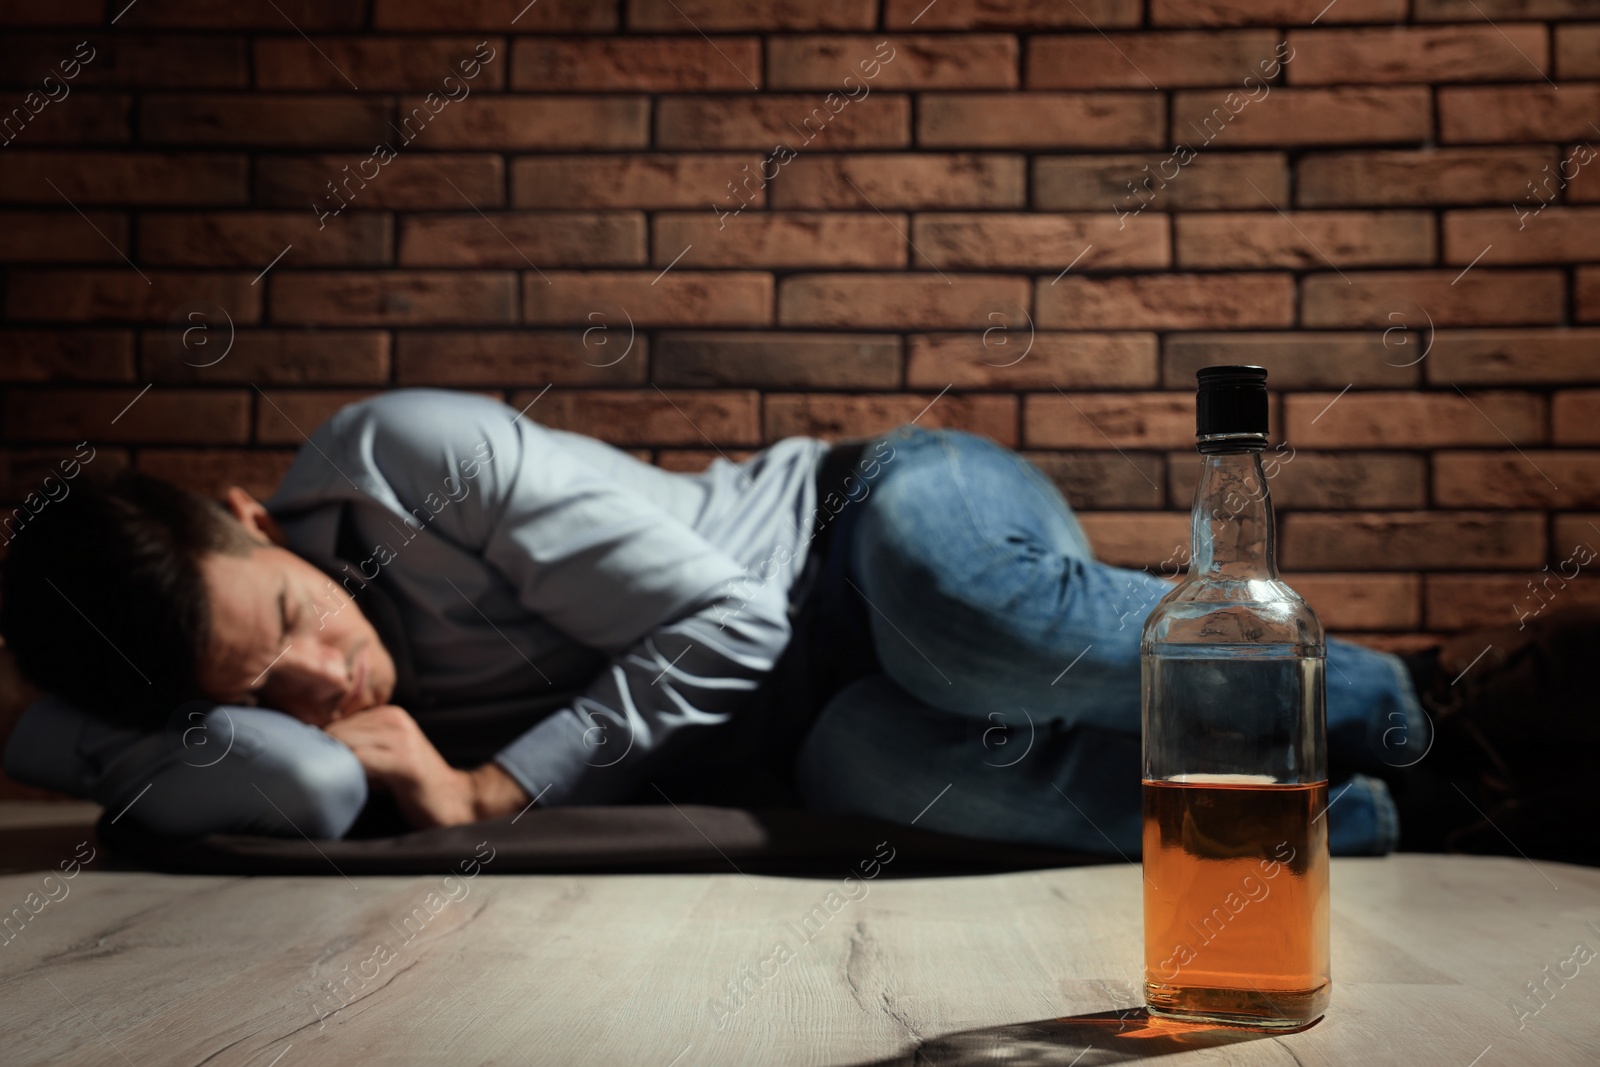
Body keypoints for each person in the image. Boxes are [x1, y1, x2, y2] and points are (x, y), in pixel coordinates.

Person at [1, 390, 1589, 859]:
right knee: (892, 771)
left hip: (857, 534)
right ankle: (1403, 813)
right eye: (265, 685)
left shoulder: (415, 455)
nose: (326, 678)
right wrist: (34, 720)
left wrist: (498, 786)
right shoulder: (245, 690)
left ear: (257, 516)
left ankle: (1425, 701)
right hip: (811, 723)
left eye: (291, 615)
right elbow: (297, 790)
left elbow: (728, 618)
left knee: (960, 626)